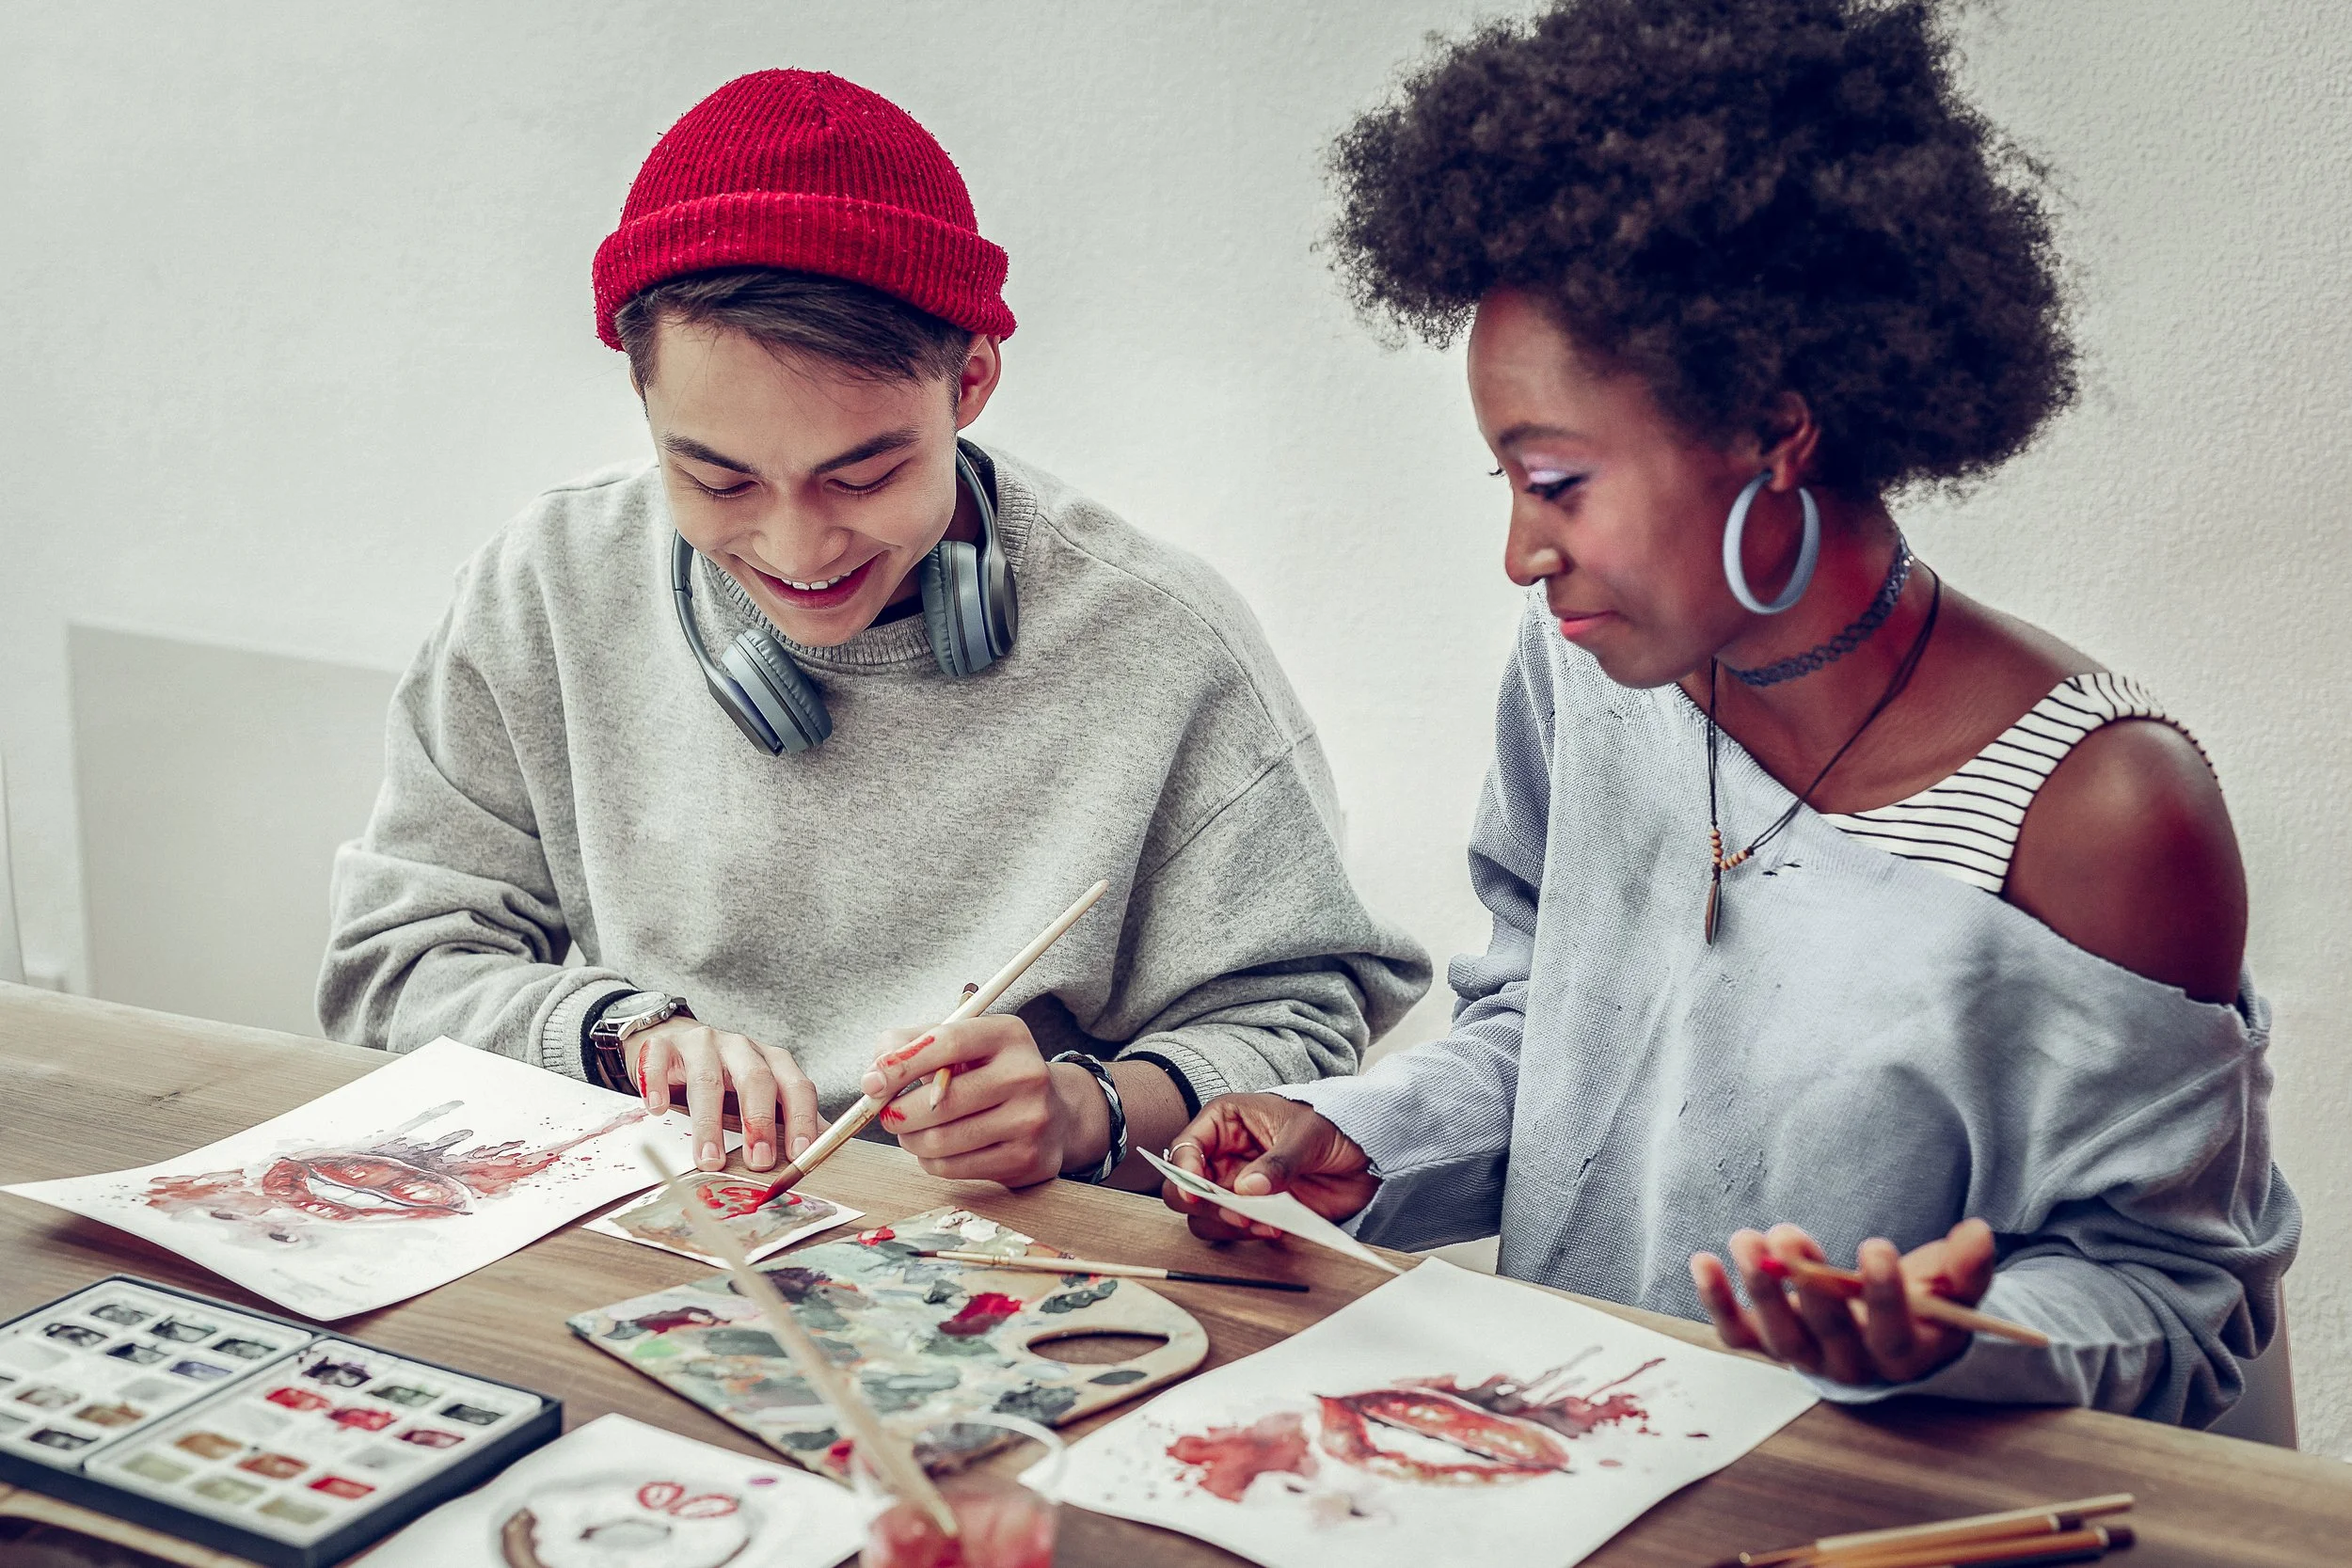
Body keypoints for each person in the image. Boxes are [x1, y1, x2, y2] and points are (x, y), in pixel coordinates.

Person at [1163, 0, 2296, 1426]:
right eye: (1502, 484)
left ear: (1774, 430)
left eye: (1558, 481)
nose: (1522, 549)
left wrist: (1954, 1332)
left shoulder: (2105, 808)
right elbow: (1551, 1028)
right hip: (1572, 1462)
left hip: (1878, 1507)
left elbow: (2172, 1291)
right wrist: (1359, 1134)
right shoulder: (1587, 666)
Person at [320, 70, 1427, 1192]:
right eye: (716, 477)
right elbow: (395, 967)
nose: (797, 552)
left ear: (971, 383)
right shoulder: (543, 586)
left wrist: (1081, 1109)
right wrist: (620, 1037)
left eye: (867, 471)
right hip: (661, 1233)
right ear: (644, 402)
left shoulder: (1165, 644)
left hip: (1017, 1260)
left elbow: (1300, 1019)